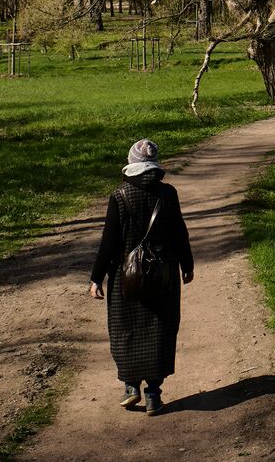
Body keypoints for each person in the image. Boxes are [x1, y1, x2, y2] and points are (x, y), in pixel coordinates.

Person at [88, 139, 194, 416]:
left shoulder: (120, 196)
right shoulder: (168, 194)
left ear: (131, 163)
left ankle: (131, 386)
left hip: (126, 278)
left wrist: (96, 278)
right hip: (163, 275)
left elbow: (109, 242)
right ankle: (154, 395)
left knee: (125, 330)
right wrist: (187, 265)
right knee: (160, 330)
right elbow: (179, 233)